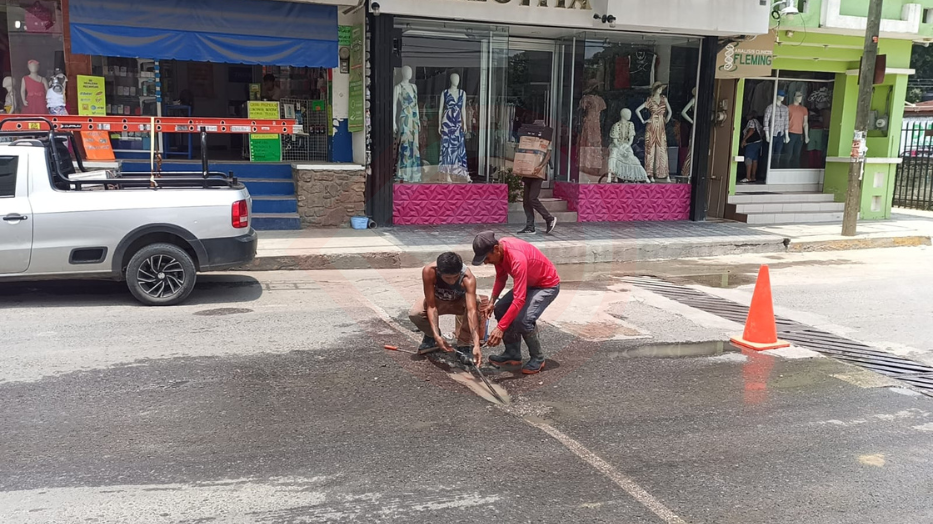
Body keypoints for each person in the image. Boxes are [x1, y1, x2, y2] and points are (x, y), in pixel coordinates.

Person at [472, 231, 560, 374]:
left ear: (495, 249)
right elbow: (501, 278)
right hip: (529, 283)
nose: (486, 262)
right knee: (500, 309)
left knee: (523, 320)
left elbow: (519, 300)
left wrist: (500, 328)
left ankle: (538, 358)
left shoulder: (517, 258)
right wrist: (492, 301)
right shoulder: (499, 253)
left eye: (486, 258)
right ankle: (512, 353)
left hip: (546, 286)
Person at [409, 252, 486, 366]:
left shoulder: (467, 277)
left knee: (477, 301)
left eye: (455, 277)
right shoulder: (429, 271)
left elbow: (471, 311)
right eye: (448, 278)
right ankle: (431, 337)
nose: (452, 281)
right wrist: (436, 335)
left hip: (458, 303)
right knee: (415, 313)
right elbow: (431, 306)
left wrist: (476, 344)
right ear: (439, 272)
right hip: (437, 302)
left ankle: (464, 344)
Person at [740, 113, 764, 183]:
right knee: (754, 160)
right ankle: (753, 177)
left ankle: (748, 177)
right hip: (758, 142)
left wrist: (744, 140)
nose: (746, 116)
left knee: (748, 158)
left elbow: (751, 130)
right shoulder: (757, 121)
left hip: (751, 143)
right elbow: (762, 131)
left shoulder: (751, 121)